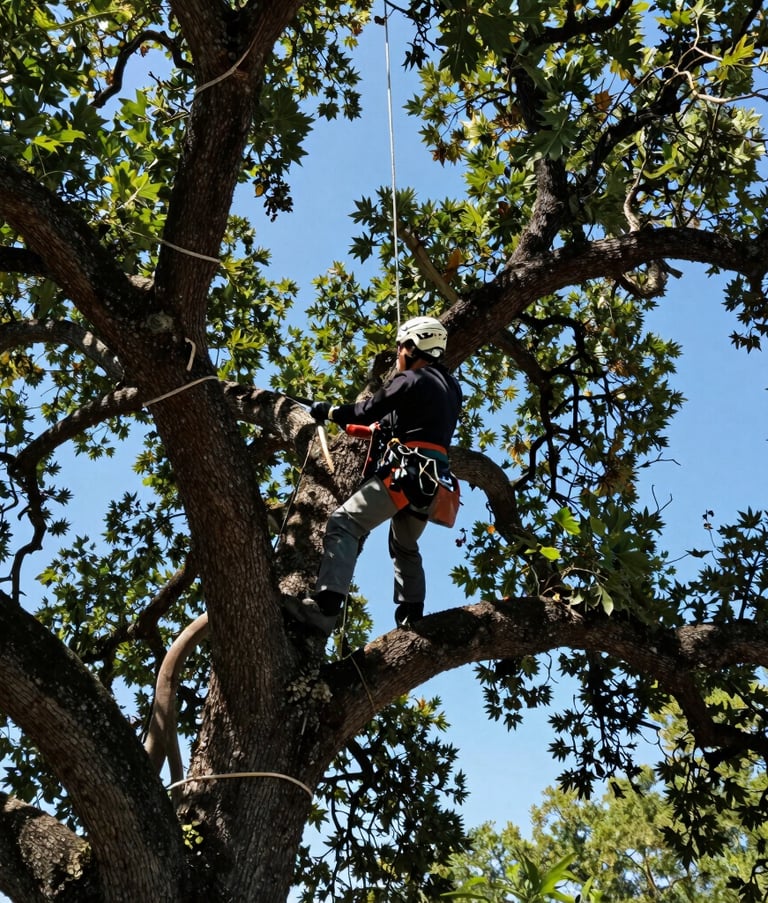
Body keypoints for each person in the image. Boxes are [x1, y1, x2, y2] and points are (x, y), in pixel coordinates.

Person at [284, 316, 463, 637]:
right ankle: (412, 616)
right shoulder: (450, 388)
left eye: (400, 347)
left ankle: (325, 607)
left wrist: (331, 411)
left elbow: (368, 410)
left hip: (406, 474)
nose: (398, 354)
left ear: (414, 345)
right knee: (404, 545)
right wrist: (359, 427)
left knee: (344, 523)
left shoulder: (410, 378)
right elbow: (394, 424)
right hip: (431, 485)